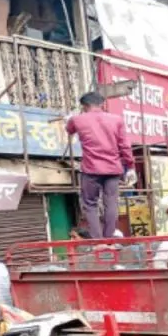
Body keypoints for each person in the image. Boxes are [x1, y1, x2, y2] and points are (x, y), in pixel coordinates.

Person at [65, 92, 136, 239]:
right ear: (102, 104)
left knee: (90, 204)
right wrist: (130, 167)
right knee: (111, 203)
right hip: (113, 168)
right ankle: (109, 237)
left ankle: (97, 240)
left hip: (91, 169)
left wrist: (69, 120)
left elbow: (69, 129)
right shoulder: (117, 120)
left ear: (84, 106)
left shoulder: (77, 119)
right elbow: (124, 146)